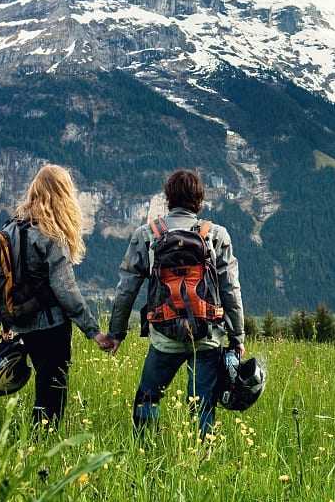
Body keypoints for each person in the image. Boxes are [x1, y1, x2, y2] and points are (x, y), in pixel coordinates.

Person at [105, 169, 245, 437]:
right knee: (202, 404)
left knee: (148, 397)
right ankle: (202, 459)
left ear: (168, 198)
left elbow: (126, 290)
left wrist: (116, 333)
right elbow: (231, 290)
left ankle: (145, 449)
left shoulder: (147, 235)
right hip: (207, 337)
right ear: (200, 200)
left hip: (164, 336)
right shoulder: (216, 235)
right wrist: (237, 338)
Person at [4, 164, 115, 425]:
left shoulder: (12, 228)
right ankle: (42, 444)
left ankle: (35, 440)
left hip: (21, 321)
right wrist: (93, 331)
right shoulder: (51, 236)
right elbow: (66, 290)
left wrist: (7, 322)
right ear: (64, 195)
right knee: (52, 390)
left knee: (43, 384)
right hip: (49, 325)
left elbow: (3, 277)